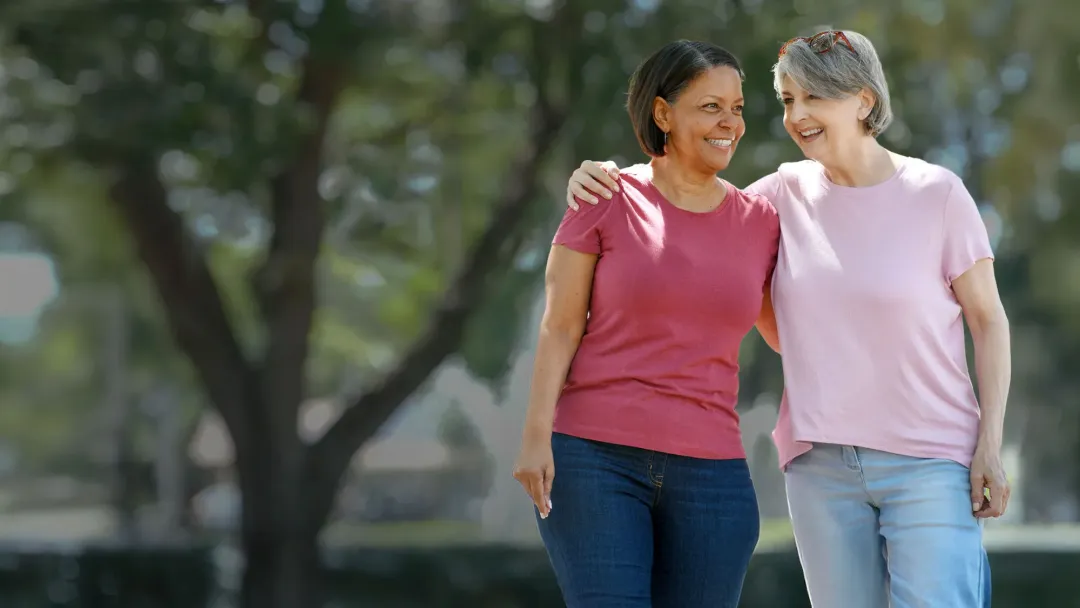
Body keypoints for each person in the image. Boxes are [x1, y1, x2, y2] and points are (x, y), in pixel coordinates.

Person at [564, 29, 1010, 608]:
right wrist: (607, 178)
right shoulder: (777, 195)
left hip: (930, 463)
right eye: (787, 100)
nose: (797, 115)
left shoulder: (936, 193)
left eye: (814, 97)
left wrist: (990, 446)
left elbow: (989, 322)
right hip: (821, 469)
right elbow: (684, 203)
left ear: (864, 101)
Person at [512, 40, 780, 607]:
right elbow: (559, 326)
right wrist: (535, 438)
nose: (729, 123)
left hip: (714, 475)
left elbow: (794, 333)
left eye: (737, 107)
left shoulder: (762, 222)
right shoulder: (603, 197)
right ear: (663, 114)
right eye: (710, 107)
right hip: (595, 461)